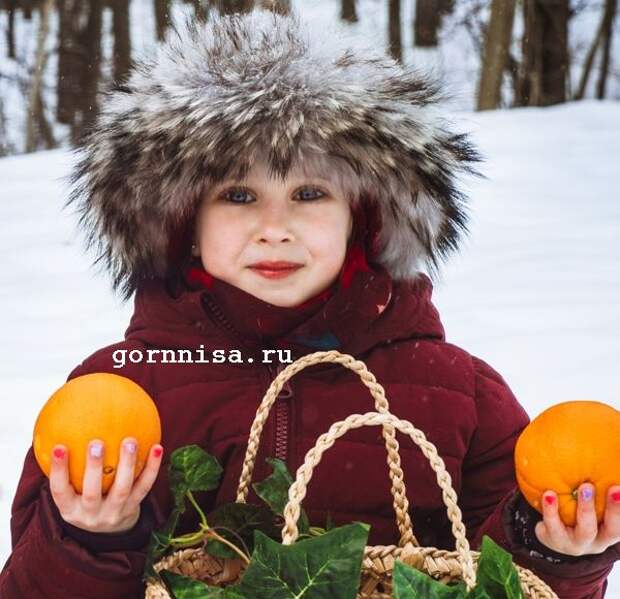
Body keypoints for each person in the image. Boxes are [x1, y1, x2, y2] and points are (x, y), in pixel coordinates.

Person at [1, 10, 618, 599]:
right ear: (185, 220)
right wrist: (87, 536)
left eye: (310, 192)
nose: (276, 227)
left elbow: (506, 584)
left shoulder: (459, 394)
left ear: (364, 216)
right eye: (239, 194)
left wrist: (554, 550)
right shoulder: (125, 389)